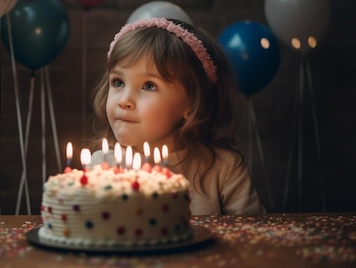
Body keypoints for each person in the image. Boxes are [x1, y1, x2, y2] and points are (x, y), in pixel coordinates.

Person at [89, 17, 265, 215]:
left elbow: (250, 234)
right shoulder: (102, 165)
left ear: (192, 102)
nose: (124, 100)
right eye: (118, 82)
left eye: (149, 86)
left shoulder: (224, 169)